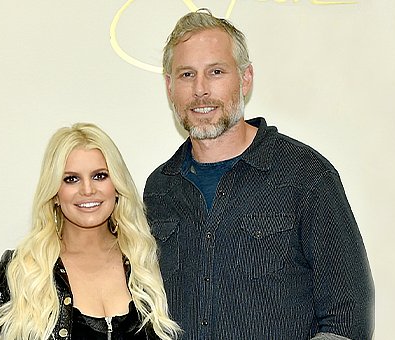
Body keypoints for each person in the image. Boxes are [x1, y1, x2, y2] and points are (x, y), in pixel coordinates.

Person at [143, 10, 374, 340]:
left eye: (216, 72)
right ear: (169, 86)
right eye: (186, 75)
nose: (201, 90)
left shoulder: (306, 176)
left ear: (245, 78)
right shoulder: (159, 189)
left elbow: (348, 317)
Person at [0, 123, 181, 340]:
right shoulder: (23, 270)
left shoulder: (149, 263)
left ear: (117, 187)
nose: (88, 190)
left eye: (100, 176)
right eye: (71, 179)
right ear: (54, 193)